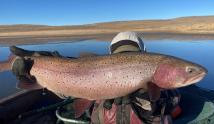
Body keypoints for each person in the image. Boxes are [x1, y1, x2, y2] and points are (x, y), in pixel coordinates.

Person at [10, 31, 181, 124]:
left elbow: (173, 98)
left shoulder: (164, 86)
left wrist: (150, 97)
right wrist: (47, 63)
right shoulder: (92, 69)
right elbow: (73, 76)